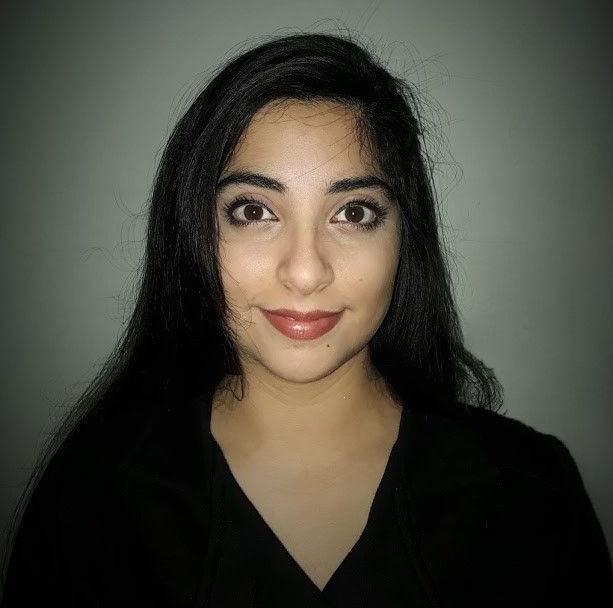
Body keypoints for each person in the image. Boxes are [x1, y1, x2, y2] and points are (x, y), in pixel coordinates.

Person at [1, 32, 611, 607]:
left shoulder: (529, 492)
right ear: (193, 231)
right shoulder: (94, 496)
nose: (304, 271)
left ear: (405, 237)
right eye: (253, 211)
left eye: (354, 213)